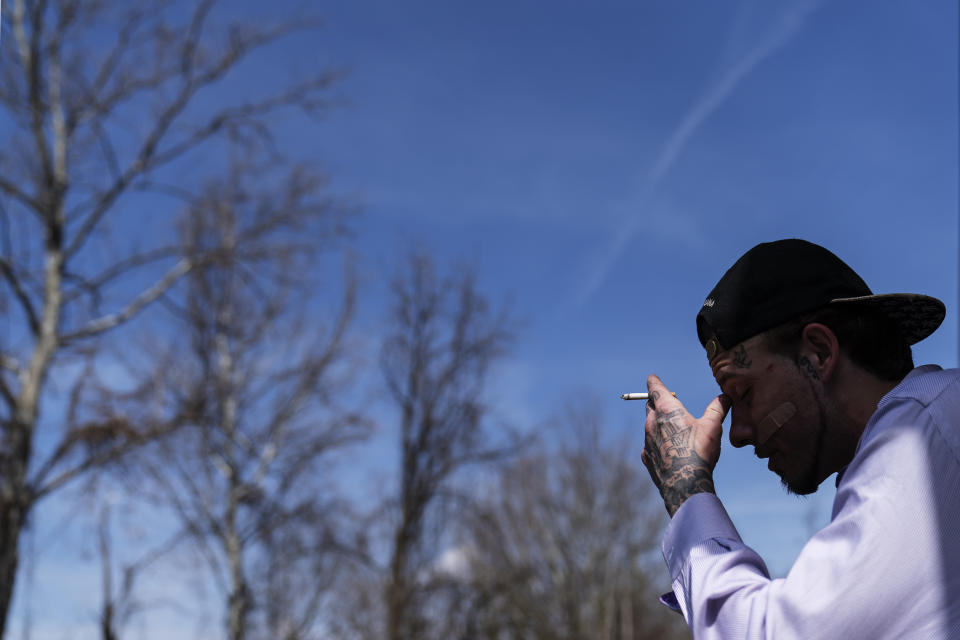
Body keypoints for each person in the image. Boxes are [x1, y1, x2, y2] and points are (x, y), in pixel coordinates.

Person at [641, 239, 960, 639]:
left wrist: (687, 491)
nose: (737, 434)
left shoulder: (924, 432)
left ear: (819, 353)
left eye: (744, 393)